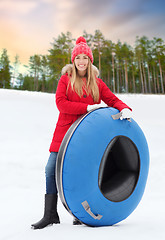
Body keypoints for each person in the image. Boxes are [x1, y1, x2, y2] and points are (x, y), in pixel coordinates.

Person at [31, 36, 132, 230]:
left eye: (85, 58)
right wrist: (86, 108)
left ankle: (80, 213)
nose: (82, 61)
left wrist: (124, 108)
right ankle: (50, 214)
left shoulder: (97, 83)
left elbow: (112, 100)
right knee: (51, 169)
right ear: (73, 60)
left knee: (83, 172)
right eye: (78, 58)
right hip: (64, 133)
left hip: (88, 137)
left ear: (90, 60)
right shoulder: (65, 79)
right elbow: (60, 103)